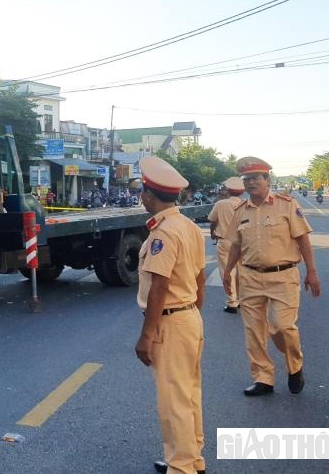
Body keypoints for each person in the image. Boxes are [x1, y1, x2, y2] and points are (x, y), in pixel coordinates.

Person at [222, 157, 320, 397]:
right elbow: (235, 244)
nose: (251, 183)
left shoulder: (286, 205)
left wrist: (312, 272)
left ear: (267, 180)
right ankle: (263, 378)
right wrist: (227, 270)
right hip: (250, 278)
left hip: (283, 276)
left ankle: (294, 366)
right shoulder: (240, 211)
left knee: (281, 327)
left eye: (255, 178)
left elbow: (303, 240)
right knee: (254, 332)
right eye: (246, 179)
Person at [134, 156, 207, 474]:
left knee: (172, 401)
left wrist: (146, 335)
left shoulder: (163, 233)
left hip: (172, 321)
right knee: (188, 394)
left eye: (142, 192)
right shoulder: (188, 226)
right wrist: (191, 311)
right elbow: (200, 277)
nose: (141, 197)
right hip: (188, 317)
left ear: (149, 196)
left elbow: (159, 287)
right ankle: (192, 459)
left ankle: (181, 468)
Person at [207, 176, 246, 313]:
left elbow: (212, 220)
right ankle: (241, 299)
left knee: (226, 271)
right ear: (242, 191)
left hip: (225, 242)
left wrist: (212, 232)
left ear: (228, 190)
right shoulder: (246, 204)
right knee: (241, 271)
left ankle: (232, 302)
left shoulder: (221, 204)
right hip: (242, 243)